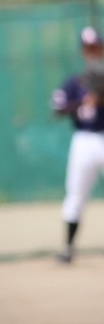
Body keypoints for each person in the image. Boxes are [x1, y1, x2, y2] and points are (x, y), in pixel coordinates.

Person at [52, 25, 104, 264]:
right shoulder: (75, 81)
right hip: (84, 140)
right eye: (89, 47)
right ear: (83, 51)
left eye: (96, 46)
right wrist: (82, 102)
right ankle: (68, 248)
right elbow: (58, 108)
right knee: (76, 194)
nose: (93, 51)